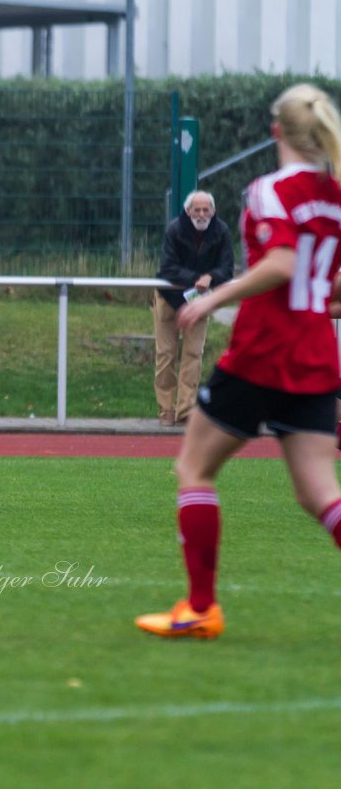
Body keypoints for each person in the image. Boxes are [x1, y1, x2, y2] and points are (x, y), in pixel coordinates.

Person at [136, 83, 341, 639]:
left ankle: (201, 609)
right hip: (316, 353)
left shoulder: (270, 191)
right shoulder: (336, 194)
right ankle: (199, 609)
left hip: (265, 351)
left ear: (276, 131)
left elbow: (280, 263)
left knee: (194, 469)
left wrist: (213, 297)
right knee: (320, 494)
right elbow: (325, 281)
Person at [153, 190, 234, 425]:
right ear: (188, 212)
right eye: (196, 210)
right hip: (168, 299)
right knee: (165, 355)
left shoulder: (221, 232)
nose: (201, 214)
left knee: (193, 354)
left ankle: (186, 409)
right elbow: (167, 268)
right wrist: (197, 278)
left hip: (198, 302)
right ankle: (165, 410)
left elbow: (227, 268)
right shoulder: (174, 230)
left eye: (205, 210)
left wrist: (210, 277)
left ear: (213, 211)